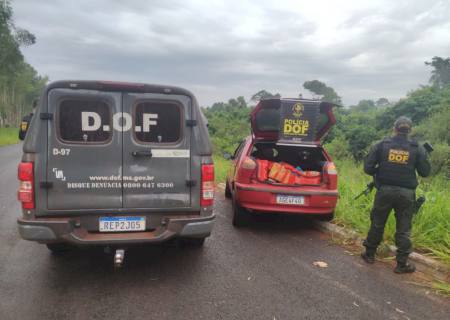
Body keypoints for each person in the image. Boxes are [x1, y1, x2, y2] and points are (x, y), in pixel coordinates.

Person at [361, 116, 431, 274]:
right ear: (410, 130)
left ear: (394, 128)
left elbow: (368, 168)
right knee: (404, 229)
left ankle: (369, 255)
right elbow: (425, 172)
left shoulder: (381, 145)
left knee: (377, 223)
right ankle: (401, 264)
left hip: (384, 191)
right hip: (407, 194)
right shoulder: (417, 147)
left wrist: (380, 169)